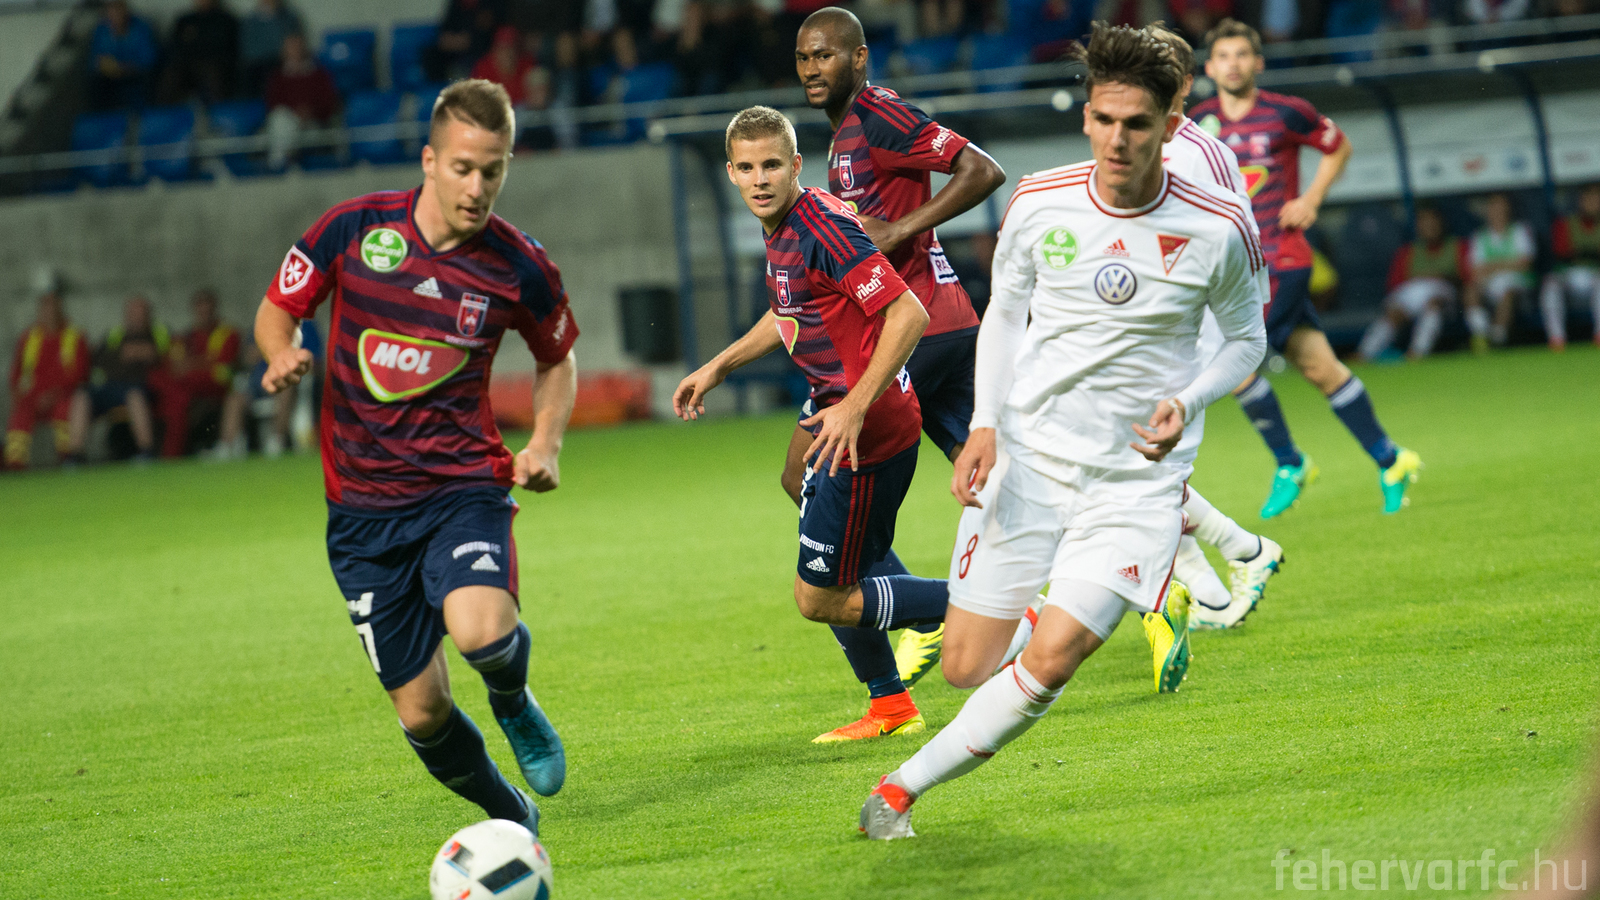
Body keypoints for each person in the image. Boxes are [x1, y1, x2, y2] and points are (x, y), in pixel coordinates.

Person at [857, 23, 1267, 840]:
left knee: (1054, 659)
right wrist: (983, 425)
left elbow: (1247, 340)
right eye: (1104, 120)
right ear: (1086, 117)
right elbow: (1006, 314)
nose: (1118, 140)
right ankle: (1058, 604)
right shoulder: (1040, 201)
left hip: (1135, 485)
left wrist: (1188, 400)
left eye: (1137, 124)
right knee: (966, 665)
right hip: (1031, 462)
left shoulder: (1218, 225)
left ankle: (896, 794)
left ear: (1170, 124)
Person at [254, 79, 577, 834]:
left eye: (493, 170)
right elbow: (278, 308)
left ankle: (511, 699)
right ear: (429, 161)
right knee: (424, 713)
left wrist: (544, 444)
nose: (478, 187)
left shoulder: (519, 265)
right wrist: (280, 353)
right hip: (362, 517)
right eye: (463, 168)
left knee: (481, 633)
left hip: (462, 489)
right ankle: (511, 818)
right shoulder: (353, 229)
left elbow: (557, 357)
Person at [674, 106, 954, 744]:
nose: (760, 179)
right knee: (794, 478)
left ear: (796, 165)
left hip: (865, 423)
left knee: (820, 597)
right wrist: (719, 366)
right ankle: (892, 696)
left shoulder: (823, 229)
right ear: (730, 173)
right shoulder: (783, 228)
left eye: (772, 165)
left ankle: (988, 606)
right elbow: (789, 311)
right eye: (747, 167)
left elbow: (908, 314)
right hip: (834, 406)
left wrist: (854, 406)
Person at [793, 7, 1007, 691]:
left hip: (909, 331)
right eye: (803, 57)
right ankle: (1154, 579)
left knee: (806, 475)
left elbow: (981, 169)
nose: (812, 68)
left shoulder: (878, 113)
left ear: (860, 58)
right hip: (944, 324)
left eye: (826, 55)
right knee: (1000, 482)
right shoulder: (846, 134)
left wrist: (900, 229)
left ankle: (927, 618)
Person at [1193, 18, 1421, 517]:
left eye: (1242, 55)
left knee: (1230, 360)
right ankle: (1392, 460)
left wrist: (1312, 198)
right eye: (1223, 57)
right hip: (1234, 265)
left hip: (1282, 259)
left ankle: (1290, 463)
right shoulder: (1198, 122)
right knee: (1321, 369)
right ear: (1209, 68)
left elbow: (1338, 146)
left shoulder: (1286, 112)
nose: (1233, 64)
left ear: (1258, 62)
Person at [1146, 23, 1282, 630]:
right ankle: (1218, 594)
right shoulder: (1148, 141)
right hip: (1158, 323)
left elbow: (1236, 238)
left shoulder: (1198, 152)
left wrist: (1240, 322)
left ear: (1180, 83)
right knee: (1140, 471)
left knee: (1147, 474)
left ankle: (1242, 554)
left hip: (1191, 327)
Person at [1357, 206, 1467, 362]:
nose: (1430, 226)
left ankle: (1417, 353)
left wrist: (1443, 277)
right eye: (1425, 222)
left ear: (1441, 223)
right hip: (1413, 295)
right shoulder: (1407, 252)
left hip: (1443, 294)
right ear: (1418, 226)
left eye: (1433, 221)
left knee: (1433, 306)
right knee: (1394, 313)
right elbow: (1394, 285)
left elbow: (1467, 278)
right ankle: (1364, 354)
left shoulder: (1457, 246)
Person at [66, 294, 165, 463]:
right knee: (82, 396)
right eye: (133, 314)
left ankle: (146, 451)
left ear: (148, 315)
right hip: (108, 386)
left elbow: (157, 354)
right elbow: (98, 359)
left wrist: (134, 352)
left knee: (135, 396)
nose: (137, 318)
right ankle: (75, 455)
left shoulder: (158, 332)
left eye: (141, 314)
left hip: (137, 386)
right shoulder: (115, 334)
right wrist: (127, 353)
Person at [146, 289, 239, 458]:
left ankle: (170, 455)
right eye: (200, 309)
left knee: (176, 399)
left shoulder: (227, 333)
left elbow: (221, 364)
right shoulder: (185, 337)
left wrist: (191, 364)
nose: (204, 313)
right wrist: (199, 362)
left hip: (216, 386)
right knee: (168, 392)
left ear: (214, 309)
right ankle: (164, 453)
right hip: (187, 387)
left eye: (207, 309)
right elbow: (173, 364)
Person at [6, 292, 90, 470]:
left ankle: (67, 459)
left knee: (65, 411)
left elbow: (81, 375)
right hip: (33, 399)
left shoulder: (75, 336)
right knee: (20, 414)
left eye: (52, 307)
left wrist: (54, 395)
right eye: (44, 307)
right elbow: (16, 375)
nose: (48, 312)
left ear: (60, 309)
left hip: (63, 396)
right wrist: (21, 396)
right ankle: (15, 465)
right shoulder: (28, 337)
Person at [1462, 191, 1535, 352]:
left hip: (1518, 286)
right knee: (1471, 291)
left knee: (1508, 293)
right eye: (1494, 208)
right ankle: (1481, 334)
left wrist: (1492, 266)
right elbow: (1475, 271)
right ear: (1488, 211)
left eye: (1502, 208)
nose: (1498, 212)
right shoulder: (1479, 236)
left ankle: (1497, 339)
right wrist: (1508, 263)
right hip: (1490, 285)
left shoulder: (1520, 231)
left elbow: (1525, 264)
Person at [264, 31, 342, 171]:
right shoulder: (277, 78)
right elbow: (272, 105)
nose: (295, 51)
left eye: (298, 46)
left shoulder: (320, 75)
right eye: (291, 47)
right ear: (284, 51)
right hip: (288, 124)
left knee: (283, 127)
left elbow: (329, 103)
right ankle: (281, 163)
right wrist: (295, 114)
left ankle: (277, 165)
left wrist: (310, 112)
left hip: (314, 126)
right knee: (281, 119)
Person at [1539, 183, 1600, 351]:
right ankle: (1556, 337)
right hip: (1570, 276)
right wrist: (1591, 253)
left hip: (1595, 276)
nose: (1593, 203)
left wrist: (1581, 253)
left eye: (1596, 198)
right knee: (1550, 284)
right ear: (1581, 201)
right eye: (1588, 198)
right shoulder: (1566, 223)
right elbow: (1561, 253)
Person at [159, 0, 241, 104]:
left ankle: (218, 111)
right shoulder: (185, 21)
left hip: (214, 64)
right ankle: (165, 111)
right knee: (171, 75)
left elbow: (229, 49)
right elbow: (174, 46)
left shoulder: (226, 21)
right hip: (186, 64)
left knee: (214, 75)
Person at [87, 0, 160, 111]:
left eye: (118, 11)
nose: (115, 17)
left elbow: (150, 59)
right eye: (111, 13)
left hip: (136, 74)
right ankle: (102, 118)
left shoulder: (141, 28)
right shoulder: (101, 30)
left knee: (148, 80)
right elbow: (94, 60)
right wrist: (104, 66)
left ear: (126, 12)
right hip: (110, 77)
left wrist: (127, 67)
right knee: (96, 82)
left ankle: (144, 114)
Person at [471, 25, 550, 111]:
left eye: (511, 48)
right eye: (502, 48)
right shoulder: (483, 67)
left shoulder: (528, 64)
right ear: (494, 50)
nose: (507, 53)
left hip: (525, 113)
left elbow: (540, 97)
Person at [239, 0, 303, 95]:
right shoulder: (249, 21)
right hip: (257, 69)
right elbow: (248, 51)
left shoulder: (289, 18)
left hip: (281, 65)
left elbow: (294, 45)